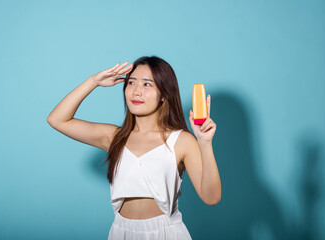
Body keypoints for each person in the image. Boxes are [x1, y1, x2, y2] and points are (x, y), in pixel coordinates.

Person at [47, 56, 221, 239]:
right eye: (131, 83)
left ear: (164, 94)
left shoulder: (182, 141)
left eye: (147, 84)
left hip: (166, 232)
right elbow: (57, 119)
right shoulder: (113, 137)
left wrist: (204, 142)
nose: (136, 91)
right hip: (121, 232)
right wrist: (93, 82)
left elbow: (211, 198)